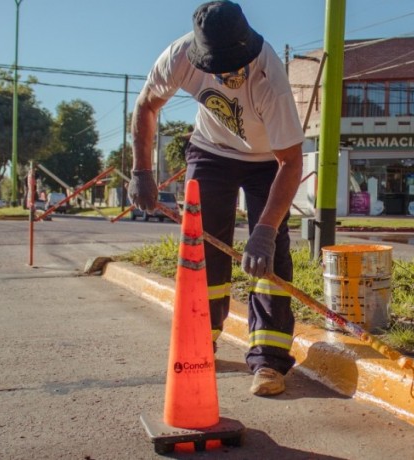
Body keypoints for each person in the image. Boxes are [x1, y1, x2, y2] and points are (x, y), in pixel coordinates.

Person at [128, 0, 304, 397]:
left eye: (231, 66)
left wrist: (263, 231)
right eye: (217, 66)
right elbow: (146, 106)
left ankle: (269, 360)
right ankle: (200, 343)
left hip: (267, 162)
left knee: (271, 256)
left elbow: (290, 163)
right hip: (210, 152)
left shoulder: (268, 77)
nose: (225, 74)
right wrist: (141, 172)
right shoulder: (178, 56)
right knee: (201, 252)